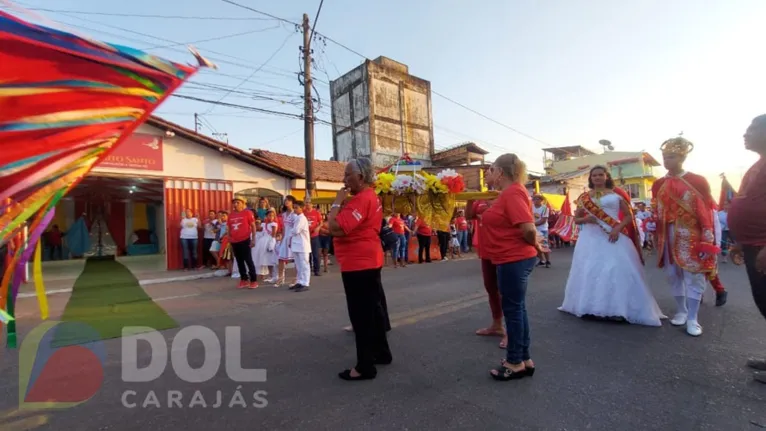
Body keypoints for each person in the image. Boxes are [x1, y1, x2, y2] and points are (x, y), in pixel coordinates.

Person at [558, 166, 665, 326]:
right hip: (590, 238)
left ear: (606, 176)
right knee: (590, 270)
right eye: (594, 175)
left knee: (615, 270)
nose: (597, 178)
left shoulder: (617, 195)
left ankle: (618, 309)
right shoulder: (584, 198)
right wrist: (587, 219)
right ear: (591, 178)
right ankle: (590, 307)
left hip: (613, 236)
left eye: (601, 174)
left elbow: (629, 216)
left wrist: (617, 228)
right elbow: (577, 219)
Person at [322, 157, 391, 381]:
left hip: (359, 264)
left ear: (360, 177)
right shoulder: (370, 197)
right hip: (368, 260)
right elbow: (340, 230)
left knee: (361, 316)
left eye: (348, 174)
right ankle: (382, 353)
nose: (344, 179)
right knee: (374, 311)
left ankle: (364, 367)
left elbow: (335, 226)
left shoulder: (361, 199)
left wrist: (336, 202)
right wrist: (336, 230)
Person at [481, 153, 541, 381]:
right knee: (518, 310)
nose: (489, 174)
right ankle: (523, 359)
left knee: (514, 312)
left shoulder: (513, 192)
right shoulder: (509, 193)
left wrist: (534, 243)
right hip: (510, 258)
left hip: (513, 259)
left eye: (491, 169)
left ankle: (515, 361)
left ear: (500, 172)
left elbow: (528, 228)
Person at [652, 136, 719, 337]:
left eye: (671, 157)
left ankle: (693, 317)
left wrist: (707, 237)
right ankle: (681, 310)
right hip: (667, 235)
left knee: (694, 275)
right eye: (664, 157)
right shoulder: (658, 184)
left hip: (691, 235)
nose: (666, 161)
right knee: (673, 275)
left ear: (682, 158)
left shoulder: (697, 180)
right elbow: (656, 210)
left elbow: (706, 210)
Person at [729, 114, 766, 384]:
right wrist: (740, 241)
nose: (745, 134)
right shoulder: (758, 165)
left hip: (763, 245)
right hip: (752, 244)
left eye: (752, 129)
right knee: (763, 302)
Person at [467, 192, 506, 350]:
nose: (487, 176)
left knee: (507, 293)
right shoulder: (481, 197)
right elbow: (470, 215)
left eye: (491, 172)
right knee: (491, 289)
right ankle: (497, 325)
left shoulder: (507, 195)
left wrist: (492, 207)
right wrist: (469, 199)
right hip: (486, 251)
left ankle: (511, 332)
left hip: (503, 251)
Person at [229, 196, 258, 289]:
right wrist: (230, 238)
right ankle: (244, 279)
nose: (235, 204)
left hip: (245, 240)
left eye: (238, 202)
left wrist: (253, 238)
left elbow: (253, 226)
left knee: (248, 260)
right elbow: (229, 228)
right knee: (239, 261)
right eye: (234, 202)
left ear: (243, 204)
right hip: (234, 241)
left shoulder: (247, 213)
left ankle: (253, 280)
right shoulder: (231, 215)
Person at [289, 201, 311, 292]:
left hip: (302, 245)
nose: (295, 209)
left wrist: (289, 231)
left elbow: (296, 230)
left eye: (297, 207)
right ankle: (300, 281)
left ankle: (305, 282)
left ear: (302, 208)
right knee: (298, 265)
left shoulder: (302, 218)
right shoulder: (296, 218)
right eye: (294, 207)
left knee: (304, 264)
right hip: (296, 244)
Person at [275, 196, 297, 286]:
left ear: (292, 202)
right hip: (285, 238)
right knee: (281, 258)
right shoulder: (283, 214)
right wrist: (282, 239)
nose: (286, 202)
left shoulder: (295, 214)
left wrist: (292, 238)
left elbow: (296, 228)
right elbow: (284, 227)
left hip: (293, 238)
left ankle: (296, 278)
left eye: (288, 200)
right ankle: (280, 278)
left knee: (295, 259)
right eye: (285, 200)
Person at [532, 195, 551, 267]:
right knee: (535, 246)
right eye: (534, 199)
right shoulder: (531, 207)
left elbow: (543, 220)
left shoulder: (545, 208)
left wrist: (532, 224)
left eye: (537, 199)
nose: (535, 201)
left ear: (541, 200)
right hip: (534, 229)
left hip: (543, 229)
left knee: (544, 245)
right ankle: (542, 260)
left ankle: (548, 261)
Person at [305, 202, 323, 277]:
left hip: (314, 236)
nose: (308, 205)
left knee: (316, 254)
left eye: (309, 203)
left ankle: (317, 270)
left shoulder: (316, 213)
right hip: (306, 236)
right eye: (306, 203)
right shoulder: (303, 213)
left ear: (312, 204)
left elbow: (321, 222)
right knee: (307, 255)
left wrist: (318, 228)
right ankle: (308, 270)